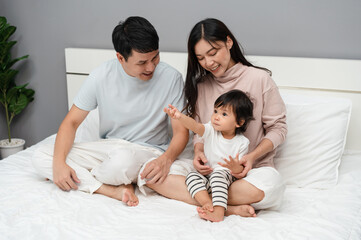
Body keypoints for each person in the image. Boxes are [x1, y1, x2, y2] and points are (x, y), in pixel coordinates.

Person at [31, 16, 190, 207]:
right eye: (142, 62)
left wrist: (166, 159)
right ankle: (111, 189)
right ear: (120, 58)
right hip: (109, 148)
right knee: (41, 155)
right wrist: (58, 165)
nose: (151, 67)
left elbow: (181, 132)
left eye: (155, 57)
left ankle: (92, 174)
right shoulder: (100, 76)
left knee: (122, 162)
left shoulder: (171, 78)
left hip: (147, 151)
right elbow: (71, 122)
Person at [183, 17, 288, 217]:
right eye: (201, 58)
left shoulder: (260, 79)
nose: (209, 62)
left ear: (229, 42)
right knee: (156, 177)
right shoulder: (202, 86)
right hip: (213, 170)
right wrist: (198, 152)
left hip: (253, 172)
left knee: (270, 187)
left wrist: (250, 158)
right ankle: (227, 207)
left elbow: (279, 129)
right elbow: (200, 131)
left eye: (213, 53)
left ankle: (208, 199)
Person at [164, 89, 254, 222]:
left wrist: (235, 167)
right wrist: (180, 117)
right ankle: (207, 203)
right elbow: (195, 126)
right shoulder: (211, 130)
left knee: (218, 175)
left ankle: (218, 213)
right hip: (208, 174)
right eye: (215, 111)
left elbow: (241, 171)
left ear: (239, 122)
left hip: (226, 177)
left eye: (224, 114)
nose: (216, 117)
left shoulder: (242, 142)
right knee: (192, 176)